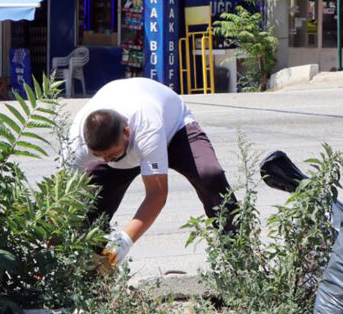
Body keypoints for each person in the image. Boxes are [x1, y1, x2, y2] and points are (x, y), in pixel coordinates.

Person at [67, 77, 236, 268]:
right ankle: (95, 273)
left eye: (112, 155)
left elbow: (157, 194)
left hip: (174, 131)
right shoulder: (76, 144)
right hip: (130, 141)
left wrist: (125, 239)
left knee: (210, 175)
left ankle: (239, 254)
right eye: (99, 155)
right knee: (86, 211)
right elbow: (62, 201)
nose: (107, 160)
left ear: (127, 132)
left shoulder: (146, 128)